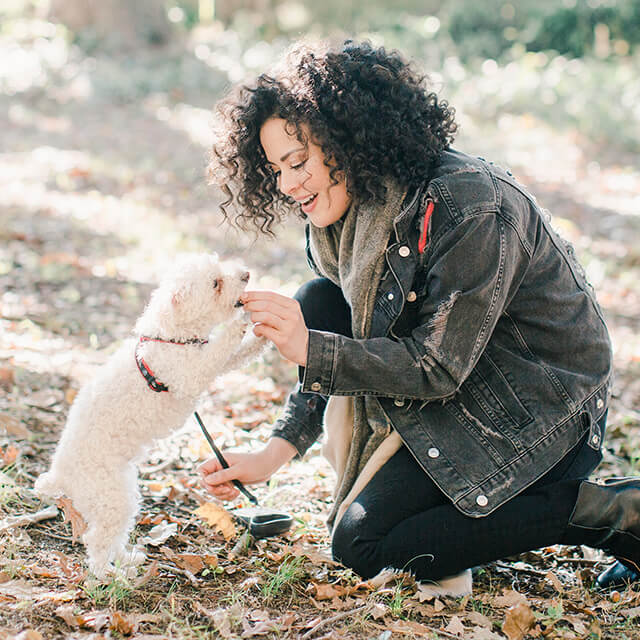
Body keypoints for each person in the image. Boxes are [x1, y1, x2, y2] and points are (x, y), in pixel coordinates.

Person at [198, 39, 640, 590]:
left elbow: (436, 368)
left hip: (539, 416)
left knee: (365, 545)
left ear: (347, 139)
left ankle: (614, 513)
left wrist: (309, 349)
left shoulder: (469, 205)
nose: (287, 185)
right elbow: (333, 323)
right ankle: (468, 520)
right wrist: (273, 452)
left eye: (298, 161)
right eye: (275, 169)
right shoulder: (348, 212)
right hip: (457, 399)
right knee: (318, 300)